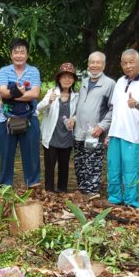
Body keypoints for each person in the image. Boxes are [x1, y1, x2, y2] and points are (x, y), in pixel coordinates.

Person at [106, 49, 139, 208]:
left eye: (131, 62)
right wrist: (109, 133)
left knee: (130, 170)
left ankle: (131, 202)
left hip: (133, 135)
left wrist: (137, 104)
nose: (128, 66)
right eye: (124, 63)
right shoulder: (120, 81)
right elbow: (115, 108)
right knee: (113, 168)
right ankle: (114, 198)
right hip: (115, 133)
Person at [70, 51, 115, 199]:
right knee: (80, 161)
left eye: (98, 62)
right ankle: (82, 190)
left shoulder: (109, 84)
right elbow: (79, 106)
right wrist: (74, 118)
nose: (94, 65)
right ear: (88, 64)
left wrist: (102, 126)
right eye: (92, 62)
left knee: (93, 162)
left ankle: (92, 192)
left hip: (95, 132)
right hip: (79, 131)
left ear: (103, 65)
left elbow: (113, 108)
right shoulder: (84, 82)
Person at [0, 38, 41, 187]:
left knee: (31, 155)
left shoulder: (33, 71)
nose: (19, 55)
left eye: (22, 52)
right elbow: (2, 92)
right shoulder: (4, 71)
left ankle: (32, 184)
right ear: (11, 55)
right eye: (16, 52)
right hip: (6, 120)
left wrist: (12, 95)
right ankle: (5, 186)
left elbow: (35, 94)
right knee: (6, 155)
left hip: (30, 119)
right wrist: (19, 94)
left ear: (27, 55)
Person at [36, 62, 79, 193]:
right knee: (49, 166)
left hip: (66, 136)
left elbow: (79, 114)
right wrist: (49, 101)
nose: (67, 79)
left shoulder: (76, 96)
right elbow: (39, 109)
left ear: (74, 80)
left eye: (70, 77)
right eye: (64, 77)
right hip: (52, 135)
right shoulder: (52, 92)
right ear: (59, 79)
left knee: (64, 166)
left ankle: (62, 190)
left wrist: (74, 119)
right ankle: (49, 190)